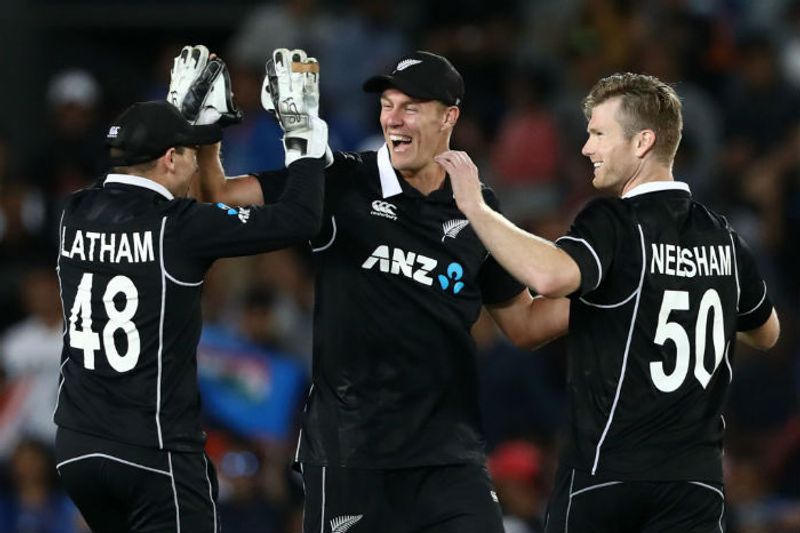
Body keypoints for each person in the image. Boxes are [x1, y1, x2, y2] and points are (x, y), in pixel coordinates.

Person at [197, 48, 568, 533]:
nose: (394, 119)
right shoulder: (341, 182)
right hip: (352, 457)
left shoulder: (475, 205)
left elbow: (523, 324)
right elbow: (219, 194)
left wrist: (613, 294)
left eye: (410, 107)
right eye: (387, 105)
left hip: (448, 460)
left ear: (449, 117)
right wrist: (204, 128)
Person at [442, 72, 781, 532]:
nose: (586, 148)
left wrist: (477, 211)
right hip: (695, 486)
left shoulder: (615, 222)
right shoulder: (723, 237)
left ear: (642, 141)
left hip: (609, 477)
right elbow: (767, 332)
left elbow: (551, 274)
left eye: (599, 133)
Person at [53, 47, 328, 533]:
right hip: (152, 450)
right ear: (171, 157)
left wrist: (185, 124)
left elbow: (151, 183)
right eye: (186, 151)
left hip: (77, 449)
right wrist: (302, 131)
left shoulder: (75, 211)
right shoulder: (178, 226)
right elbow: (300, 218)